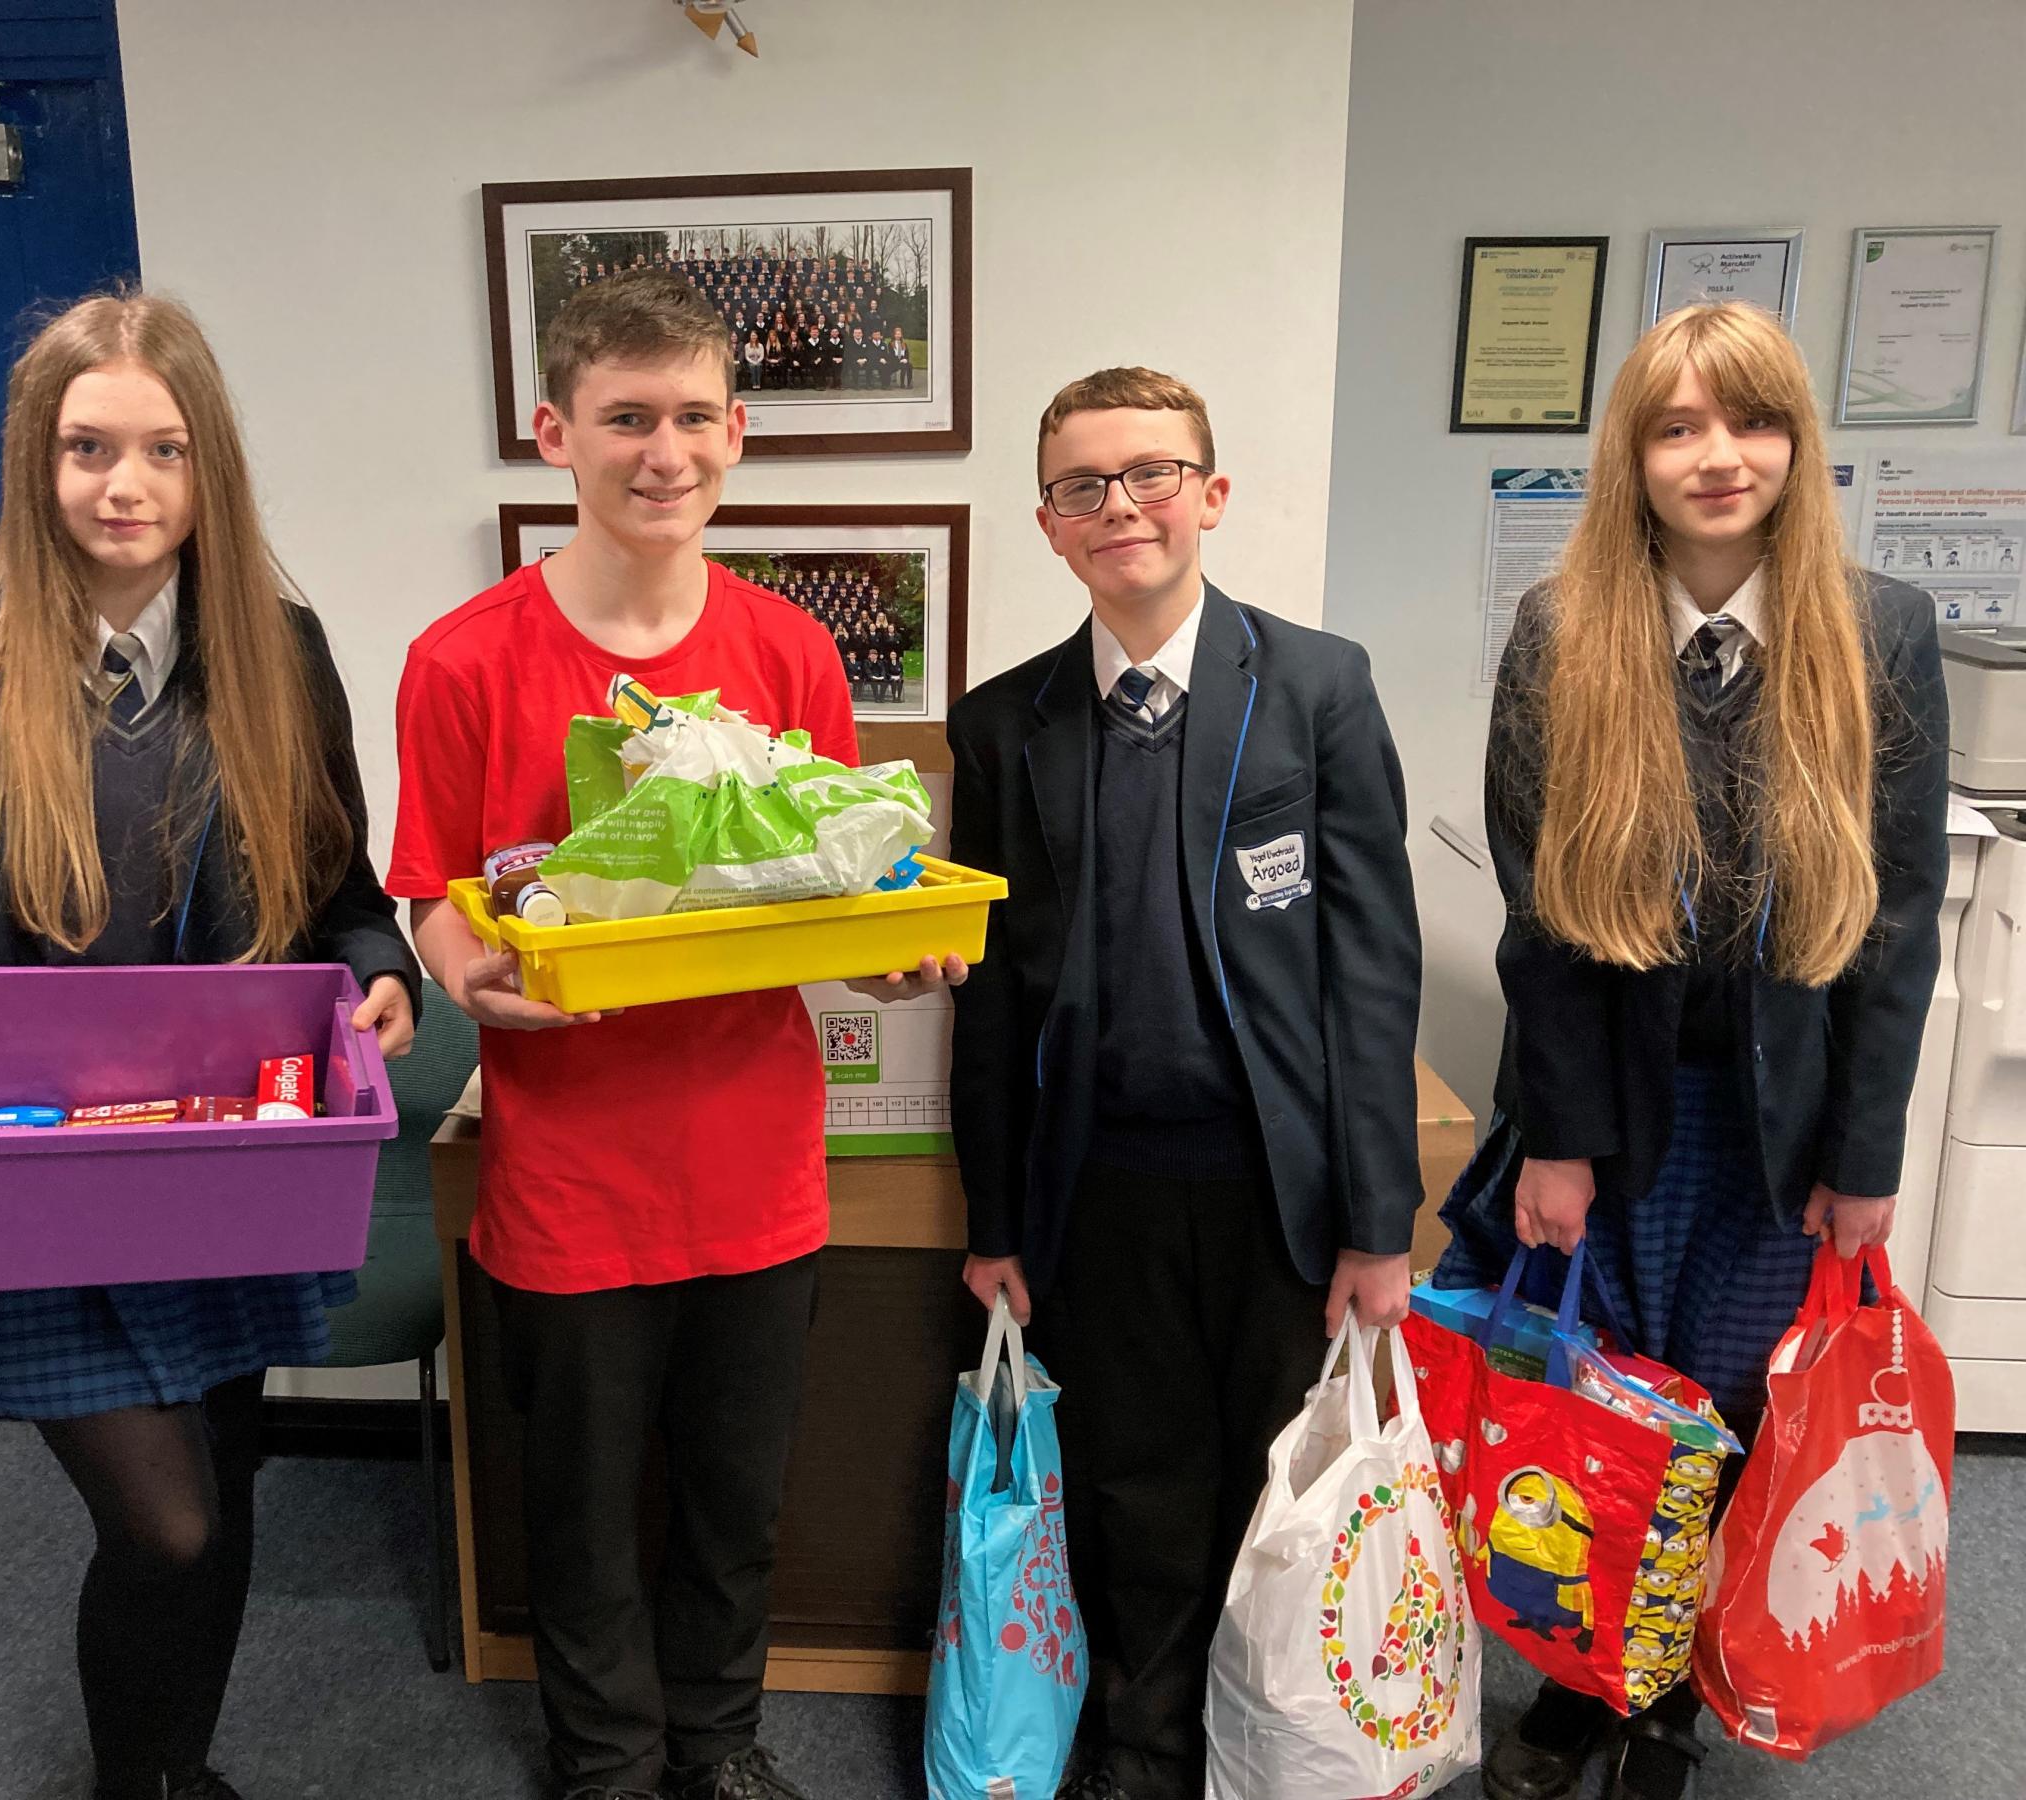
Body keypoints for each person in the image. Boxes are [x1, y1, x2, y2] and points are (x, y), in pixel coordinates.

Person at [0, 291, 421, 1800]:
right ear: (33, 464)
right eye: (86, 449)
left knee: (221, 1480)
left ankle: (179, 1770)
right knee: (165, 1521)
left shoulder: (281, 653)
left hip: (233, 1154)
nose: (124, 487)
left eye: (164, 451)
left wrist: (378, 968)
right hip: (23, 1178)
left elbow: (334, 887)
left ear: (211, 472)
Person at [386, 268, 960, 1800]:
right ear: (552, 430)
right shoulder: (464, 659)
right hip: (569, 1169)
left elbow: (851, 875)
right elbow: (428, 887)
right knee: (576, 1507)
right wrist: (460, 972)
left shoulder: (788, 655)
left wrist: (892, 965)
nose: (664, 452)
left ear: (739, 430)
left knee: (732, 1497)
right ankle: (604, 1764)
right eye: (626, 418)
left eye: (694, 416)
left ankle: (718, 1745)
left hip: (760, 1165)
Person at [1438, 301, 1949, 1800]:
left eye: (1752, 422)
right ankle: (1587, 1681)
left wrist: (1864, 1159)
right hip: (1616, 1108)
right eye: (1677, 426)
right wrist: (1560, 1141)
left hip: (1782, 1121)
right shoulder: (1563, 631)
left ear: (1797, 441)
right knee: (1605, 1399)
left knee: (1730, 1410)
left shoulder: (1883, 631)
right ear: (1633, 455)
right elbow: (1541, 920)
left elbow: (1897, 924)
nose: (1718, 457)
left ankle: (1674, 1691)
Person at [946, 366, 1423, 1800]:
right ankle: (1144, 1748)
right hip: (1105, 1186)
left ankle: (1269, 1748)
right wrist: (995, 1222)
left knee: (1276, 1488)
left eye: (1153, 473)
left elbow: (1371, 968)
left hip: (1279, 1186)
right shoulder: (1003, 723)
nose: (1123, 506)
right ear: (1048, 523)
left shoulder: (1316, 685)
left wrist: (1381, 1221)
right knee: (1135, 1484)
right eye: (1086, 485)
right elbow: (995, 996)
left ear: (1211, 496)